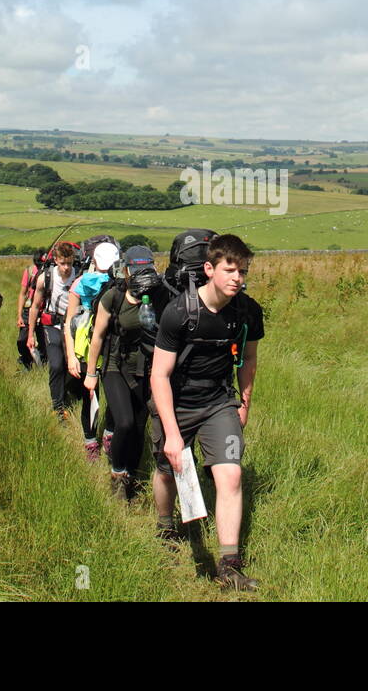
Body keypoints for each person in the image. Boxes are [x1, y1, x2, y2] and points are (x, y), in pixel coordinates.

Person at [149, 233, 264, 591]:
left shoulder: (247, 310)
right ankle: (165, 524)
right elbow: (159, 375)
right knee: (168, 471)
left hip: (219, 403)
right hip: (177, 402)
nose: (237, 278)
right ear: (210, 269)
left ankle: (230, 565)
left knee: (230, 475)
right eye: (230, 270)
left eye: (243, 271)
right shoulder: (179, 312)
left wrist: (243, 403)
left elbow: (249, 360)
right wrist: (170, 432)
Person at [84, 245, 163, 499]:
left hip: (145, 368)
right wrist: (91, 373)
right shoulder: (114, 297)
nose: (143, 275)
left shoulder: (160, 297)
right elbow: (97, 336)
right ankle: (118, 475)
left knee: (140, 426)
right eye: (137, 270)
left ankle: (132, 475)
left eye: (147, 269)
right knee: (125, 422)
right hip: (115, 366)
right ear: (126, 271)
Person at [65, 240, 120, 461]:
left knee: (92, 395)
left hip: (87, 345)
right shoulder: (121, 282)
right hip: (110, 343)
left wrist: (71, 355)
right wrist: (70, 356)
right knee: (112, 394)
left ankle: (93, 441)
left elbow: (69, 322)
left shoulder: (80, 282)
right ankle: (104, 435)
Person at [27, 242, 86, 430]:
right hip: (52, 324)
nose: (66, 268)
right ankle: (58, 407)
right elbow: (35, 306)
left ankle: (74, 394)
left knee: (74, 362)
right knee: (56, 363)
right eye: (62, 263)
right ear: (56, 262)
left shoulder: (80, 277)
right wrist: (30, 335)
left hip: (75, 325)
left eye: (69, 263)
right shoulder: (46, 278)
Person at [16, 250, 45, 369]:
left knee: (43, 340)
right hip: (28, 310)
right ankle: (26, 361)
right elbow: (22, 293)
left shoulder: (50, 273)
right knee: (22, 340)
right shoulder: (29, 271)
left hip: (44, 311)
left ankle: (42, 362)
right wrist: (19, 315)